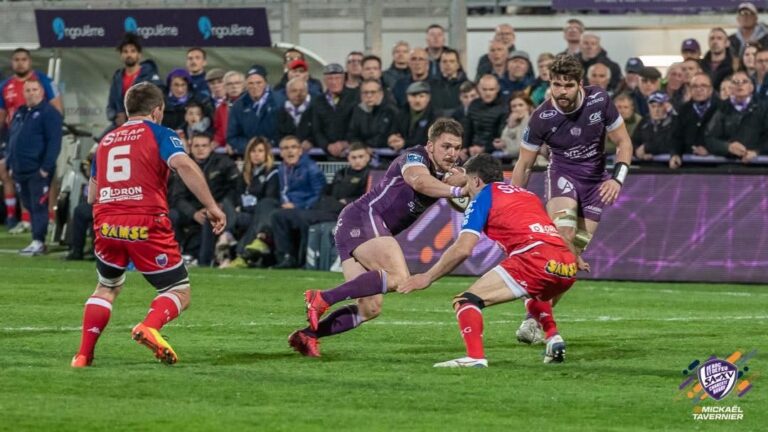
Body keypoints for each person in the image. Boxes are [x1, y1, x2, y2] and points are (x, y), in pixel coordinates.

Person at [70, 82, 226, 368]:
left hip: (105, 222)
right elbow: (184, 165)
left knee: (106, 287)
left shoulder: (106, 141)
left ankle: (83, 355)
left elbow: (92, 194)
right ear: (157, 111)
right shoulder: (161, 133)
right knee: (178, 289)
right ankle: (149, 326)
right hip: (144, 220)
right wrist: (212, 206)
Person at [287, 118, 467, 357]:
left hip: (354, 226)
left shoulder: (449, 169)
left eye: (456, 147)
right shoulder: (415, 157)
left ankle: (307, 335)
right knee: (399, 277)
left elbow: (458, 197)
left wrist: (464, 183)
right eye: (446, 146)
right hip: (365, 217)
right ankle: (321, 297)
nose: (452, 153)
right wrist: (459, 189)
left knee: (370, 308)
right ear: (430, 145)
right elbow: (419, 181)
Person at [398, 154, 579, 366]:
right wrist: (576, 257)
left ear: (475, 181)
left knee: (466, 301)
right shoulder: (527, 194)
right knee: (534, 293)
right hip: (566, 264)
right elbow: (554, 232)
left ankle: (475, 358)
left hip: (535, 257)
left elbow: (462, 249)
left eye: (466, 181)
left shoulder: (483, 197)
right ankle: (553, 337)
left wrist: (427, 277)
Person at [511, 54, 633, 345]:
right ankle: (536, 320)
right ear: (549, 83)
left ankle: (533, 318)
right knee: (563, 236)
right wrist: (512, 203)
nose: (561, 91)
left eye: (568, 85)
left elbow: (624, 143)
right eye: (556, 85)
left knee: (567, 265)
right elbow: (524, 164)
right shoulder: (541, 117)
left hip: (595, 182)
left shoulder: (599, 100)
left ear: (580, 84)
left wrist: (618, 179)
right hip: (562, 175)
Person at [270, 143, 371, 268]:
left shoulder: (370, 175)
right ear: (348, 158)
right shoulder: (341, 173)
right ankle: (285, 257)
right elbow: (325, 192)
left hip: (343, 214)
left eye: (361, 157)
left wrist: (346, 201)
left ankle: (304, 261)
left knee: (304, 220)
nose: (357, 161)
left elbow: (368, 199)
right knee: (278, 215)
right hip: (326, 209)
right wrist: (331, 201)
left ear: (368, 157)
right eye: (353, 157)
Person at [1, 47, 63, 231]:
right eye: (16, 59)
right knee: (19, 177)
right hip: (17, 137)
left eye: (24, 59)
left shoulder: (44, 80)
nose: (20, 63)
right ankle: (25, 218)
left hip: (39, 136)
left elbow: (57, 109)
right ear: (12, 62)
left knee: (47, 175)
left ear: (29, 61)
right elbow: (2, 116)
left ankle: (51, 217)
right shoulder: (5, 86)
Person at [6, 80, 63, 255]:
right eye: (28, 90)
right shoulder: (20, 112)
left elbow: (54, 142)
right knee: (29, 206)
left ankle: (39, 241)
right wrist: (10, 163)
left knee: (38, 206)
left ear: (42, 92)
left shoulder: (49, 113)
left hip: (37, 169)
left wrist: (46, 167)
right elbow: (12, 139)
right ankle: (36, 239)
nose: (31, 93)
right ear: (23, 93)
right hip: (19, 169)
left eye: (35, 89)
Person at [105, 33, 163, 130]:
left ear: (139, 54)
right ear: (121, 55)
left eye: (133, 51)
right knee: (100, 142)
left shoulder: (149, 76)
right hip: (120, 127)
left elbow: (158, 102)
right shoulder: (117, 78)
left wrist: (136, 116)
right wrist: (116, 116)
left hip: (144, 125)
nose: (129, 54)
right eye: (125, 51)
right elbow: (110, 107)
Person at [227, 65, 278, 156]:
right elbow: (232, 136)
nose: (255, 86)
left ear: (265, 83)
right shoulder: (238, 105)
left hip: (276, 155)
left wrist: (269, 145)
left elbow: (286, 131)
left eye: (259, 82)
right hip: (249, 157)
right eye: (251, 83)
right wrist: (252, 147)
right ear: (246, 85)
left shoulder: (279, 101)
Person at [672, 72, 719, 163]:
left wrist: (710, 150)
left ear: (711, 90)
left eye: (703, 86)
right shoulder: (683, 110)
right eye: (695, 86)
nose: (699, 89)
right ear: (690, 89)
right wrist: (675, 154)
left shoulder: (722, 108)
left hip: (715, 164)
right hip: (688, 164)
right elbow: (676, 136)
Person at [347, 79, 399, 149]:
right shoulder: (357, 110)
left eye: (373, 92)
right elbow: (352, 134)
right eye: (365, 92)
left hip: (386, 155)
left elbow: (389, 137)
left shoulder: (391, 111)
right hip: (363, 153)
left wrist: (366, 146)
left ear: (381, 93)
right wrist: (361, 147)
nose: (369, 95)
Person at [464, 75, 507, 155]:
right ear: (479, 89)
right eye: (484, 89)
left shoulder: (504, 107)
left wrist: (484, 149)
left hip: (494, 151)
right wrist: (465, 149)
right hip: (472, 149)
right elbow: (468, 130)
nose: (488, 93)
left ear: (497, 89)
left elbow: (501, 136)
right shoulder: (473, 104)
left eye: (491, 89)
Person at [632, 92, 678, 166]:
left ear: (666, 106)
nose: (656, 110)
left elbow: (670, 144)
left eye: (660, 106)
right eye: (653, 106)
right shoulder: (644, 122)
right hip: (646, 168)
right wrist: (637, 152)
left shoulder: (675, 122)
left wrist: (646, 147)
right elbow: (633, 141)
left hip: (667, 168)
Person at [212, 71, 245, 152]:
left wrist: (234, 143)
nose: (234, 86)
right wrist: (215, 142)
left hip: (247, 148)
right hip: (227, 150)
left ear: (243, 85)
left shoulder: (251, 104)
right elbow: (220, 131)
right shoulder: (221, 108)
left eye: (237, 83)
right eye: (229, 84)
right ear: (225, 87)